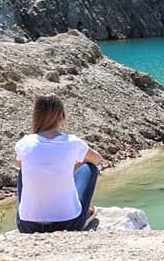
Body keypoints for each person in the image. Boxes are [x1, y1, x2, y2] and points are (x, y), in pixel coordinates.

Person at [14, 95, 104, 233]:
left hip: (27, 226)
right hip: (68, 224)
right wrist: (72, 166)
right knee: (90, 168)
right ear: (62, 115)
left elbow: (17, 163)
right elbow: (97, 159)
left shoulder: (24, 143)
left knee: (23, 169)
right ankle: (84, 213)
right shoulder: (72, 142)